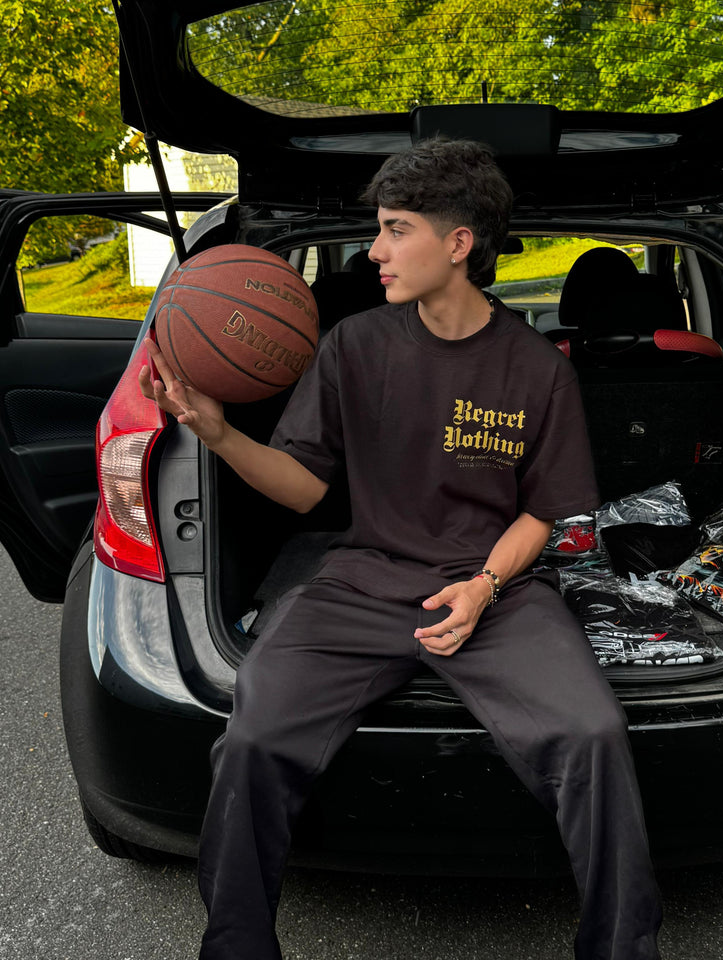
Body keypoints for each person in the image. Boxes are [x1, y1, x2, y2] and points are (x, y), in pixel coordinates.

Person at [140, 138, 662, 960]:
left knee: (593, 733)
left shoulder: (537, 369)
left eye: (395, 230)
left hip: (494, 594)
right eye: (378, 229)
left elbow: (545, 514)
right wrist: (218, 433)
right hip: (363, 582)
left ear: (459, 244)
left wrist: (483, 587)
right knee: (253, 738)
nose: (374, 251)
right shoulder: (353, 346)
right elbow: (304, 491)